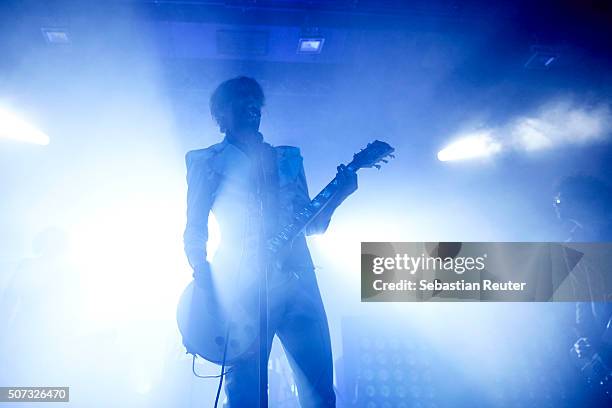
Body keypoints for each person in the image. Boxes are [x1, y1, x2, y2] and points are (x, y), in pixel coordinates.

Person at [183, 76, 357, 407]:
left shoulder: (288, 159)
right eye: (241, 100)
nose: (252, 106)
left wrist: (340, 195)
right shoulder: (207, 161)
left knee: (320, 391)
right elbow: (194, 227)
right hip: (241, 285)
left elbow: (313, 227)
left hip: (299, 281)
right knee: (247, 394)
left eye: (256, 101)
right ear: (220, 115)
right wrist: (200, 265)